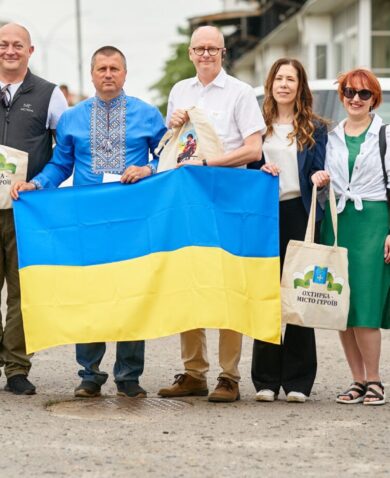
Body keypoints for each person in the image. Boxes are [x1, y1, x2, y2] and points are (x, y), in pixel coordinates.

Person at [12, 45, 166, 399]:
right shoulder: (72, 118)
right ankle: (89, 375)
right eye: (102, 69)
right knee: (90, 294)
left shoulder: (147, 114)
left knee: (131, 295)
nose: (108, 74)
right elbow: (59, 165)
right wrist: (36, 184)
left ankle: (129, 376)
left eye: (115, 68)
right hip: (88, 221)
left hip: (132, 220)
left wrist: (148, 168)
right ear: (92, 74)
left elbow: (169, 155)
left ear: (125, 73)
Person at [157, 26, 265, 403]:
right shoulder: (179, 91)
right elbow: (175, 145)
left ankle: (229, 376)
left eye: (212, 49)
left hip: (227, 198)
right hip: (187, 201)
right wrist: (171, 127)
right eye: (199, 49)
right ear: (190, 53)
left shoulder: (240, 93)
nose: (206, 54)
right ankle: (193, 372)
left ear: (223, 52)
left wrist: (210, 162)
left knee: (226, 285)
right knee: (189, 282)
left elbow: (253, 149)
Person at [250, 58, 328, 403]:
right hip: (264, 216)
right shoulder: (257, 125)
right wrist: (258, 167)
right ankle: (265, 380)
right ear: (271, 84)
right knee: (266, 294)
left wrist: (318, 178)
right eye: (279, 78)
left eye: (290, 79)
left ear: (300, 86)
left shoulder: (315, 127)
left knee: (299, 294)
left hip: (299, 212)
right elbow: (245, 165)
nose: (284, 84)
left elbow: (323, 168)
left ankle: (298, 381)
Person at [314, 68, 390, 406]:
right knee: (340, 305)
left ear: (375, 98)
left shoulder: (386, 134)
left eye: (364, 94)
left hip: (374, 223)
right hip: (338, 220)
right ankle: (357, 380)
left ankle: (374, 380)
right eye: (349, 92)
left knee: (366, 304)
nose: (355, 99)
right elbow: (322, 180)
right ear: (342, 95)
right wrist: (319, 179)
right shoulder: (331, 136)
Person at [0, 23, 68, 395]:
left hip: (25, 209)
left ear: (30, 50)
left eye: (17, 45)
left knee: (21, 293)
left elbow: (67, 149)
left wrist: (42, 183)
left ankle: (16, 369)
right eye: (3, 45)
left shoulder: (49, 94)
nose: (10, 50)